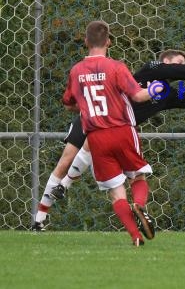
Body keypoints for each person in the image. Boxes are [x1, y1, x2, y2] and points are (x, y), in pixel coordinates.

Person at [33, 48, 185, 231]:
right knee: (65, 162)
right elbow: (178, 70)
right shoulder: (150, 70)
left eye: (183, 65)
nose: (180, 68)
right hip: (91, 119)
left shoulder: (168, 94)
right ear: (165, 61)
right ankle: (41, 216)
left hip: (115, 133)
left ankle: (57, 197)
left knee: (108, 162)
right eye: (177, 63)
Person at [61, 20, 161, 246]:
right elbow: (137, 96)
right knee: (138, 175)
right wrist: (155, 89)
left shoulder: (76, 71)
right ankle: (140, 204)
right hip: (122, 130)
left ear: (86, 42)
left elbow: (69, 104)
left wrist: (85, 104)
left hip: (96, 138)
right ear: (108, 42)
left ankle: (135, 237)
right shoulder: (116, 67)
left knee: (116, 192)